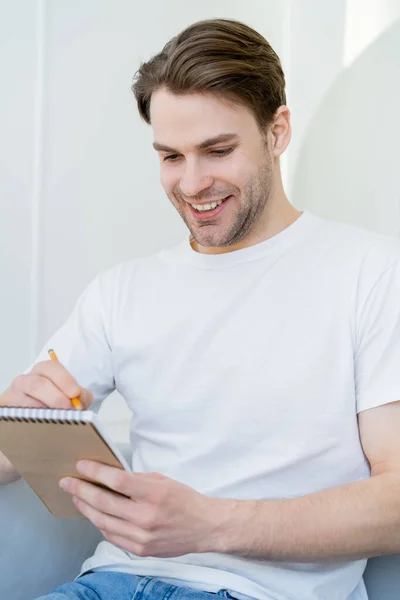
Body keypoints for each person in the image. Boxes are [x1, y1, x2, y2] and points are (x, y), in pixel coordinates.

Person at [1, 16, 400, 600]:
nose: (191, 184)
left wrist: (211, 524)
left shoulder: (370, 273)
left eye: (217, 151)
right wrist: (14, 419)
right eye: (170, 156)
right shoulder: (121, 291)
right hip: (107, 584)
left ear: (278, 130)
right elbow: (17, 445)